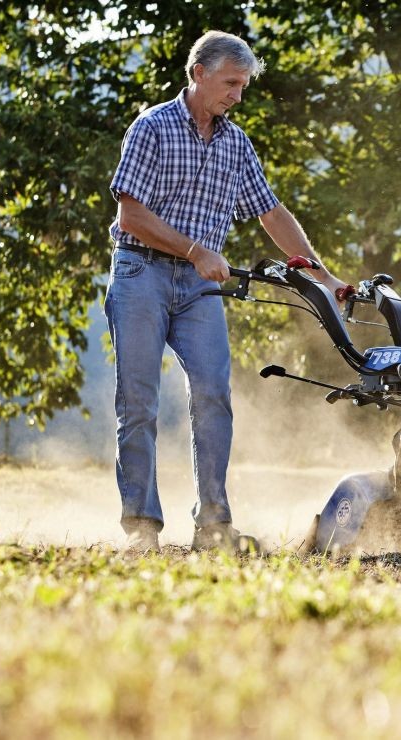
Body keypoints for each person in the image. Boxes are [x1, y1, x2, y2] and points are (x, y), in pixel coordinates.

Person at [105, 30, 346, 554]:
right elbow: (131, 215)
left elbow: (272, 213)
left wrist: (323, 277)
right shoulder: (152, 127)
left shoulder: (235, 143)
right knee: (139, 402)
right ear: (199, 73)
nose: (238, 95)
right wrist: (197, 251)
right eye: (230, 83)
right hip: (140, 273)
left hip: (199, 288)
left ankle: (213, 526)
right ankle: (141, 528)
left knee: (214, 396)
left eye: (243, 86)